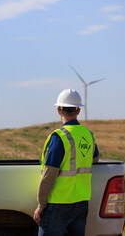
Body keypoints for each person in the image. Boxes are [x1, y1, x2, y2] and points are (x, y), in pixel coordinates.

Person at [33, 89, 100, 236]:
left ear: (59, 110)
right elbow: (95, 158)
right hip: (81, 202)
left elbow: (49, 175)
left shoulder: (59, 137)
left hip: (59, 204)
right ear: (78, 110)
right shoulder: (88, 135)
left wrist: (41, 204)